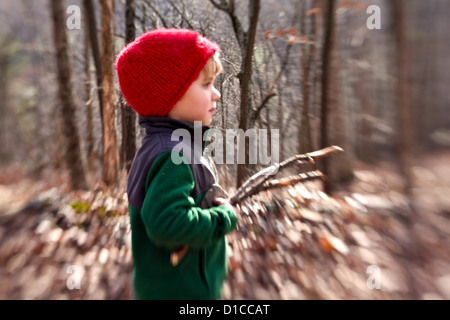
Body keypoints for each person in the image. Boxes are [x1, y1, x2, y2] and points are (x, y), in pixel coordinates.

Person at [115, 28, 238, 300]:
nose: (216, 94)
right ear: (170, 97)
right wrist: (222, 219)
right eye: (206, 85)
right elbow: (167, 223)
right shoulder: (173, 153)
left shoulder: (167, 145)